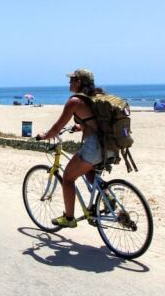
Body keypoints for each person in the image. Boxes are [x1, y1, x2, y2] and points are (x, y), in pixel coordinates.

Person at [37, 68, 112, 228]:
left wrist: (45, 135)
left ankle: (69, 218)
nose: (69, 82)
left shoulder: (75, 101)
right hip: (111, 145)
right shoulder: (98, 96)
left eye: (72, 80)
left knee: (68, 178)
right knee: (90, 173)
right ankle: (108, 198)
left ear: (79, 82)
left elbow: (57, 127)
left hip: (95, 147)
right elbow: (97, 122)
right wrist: (81, 126)